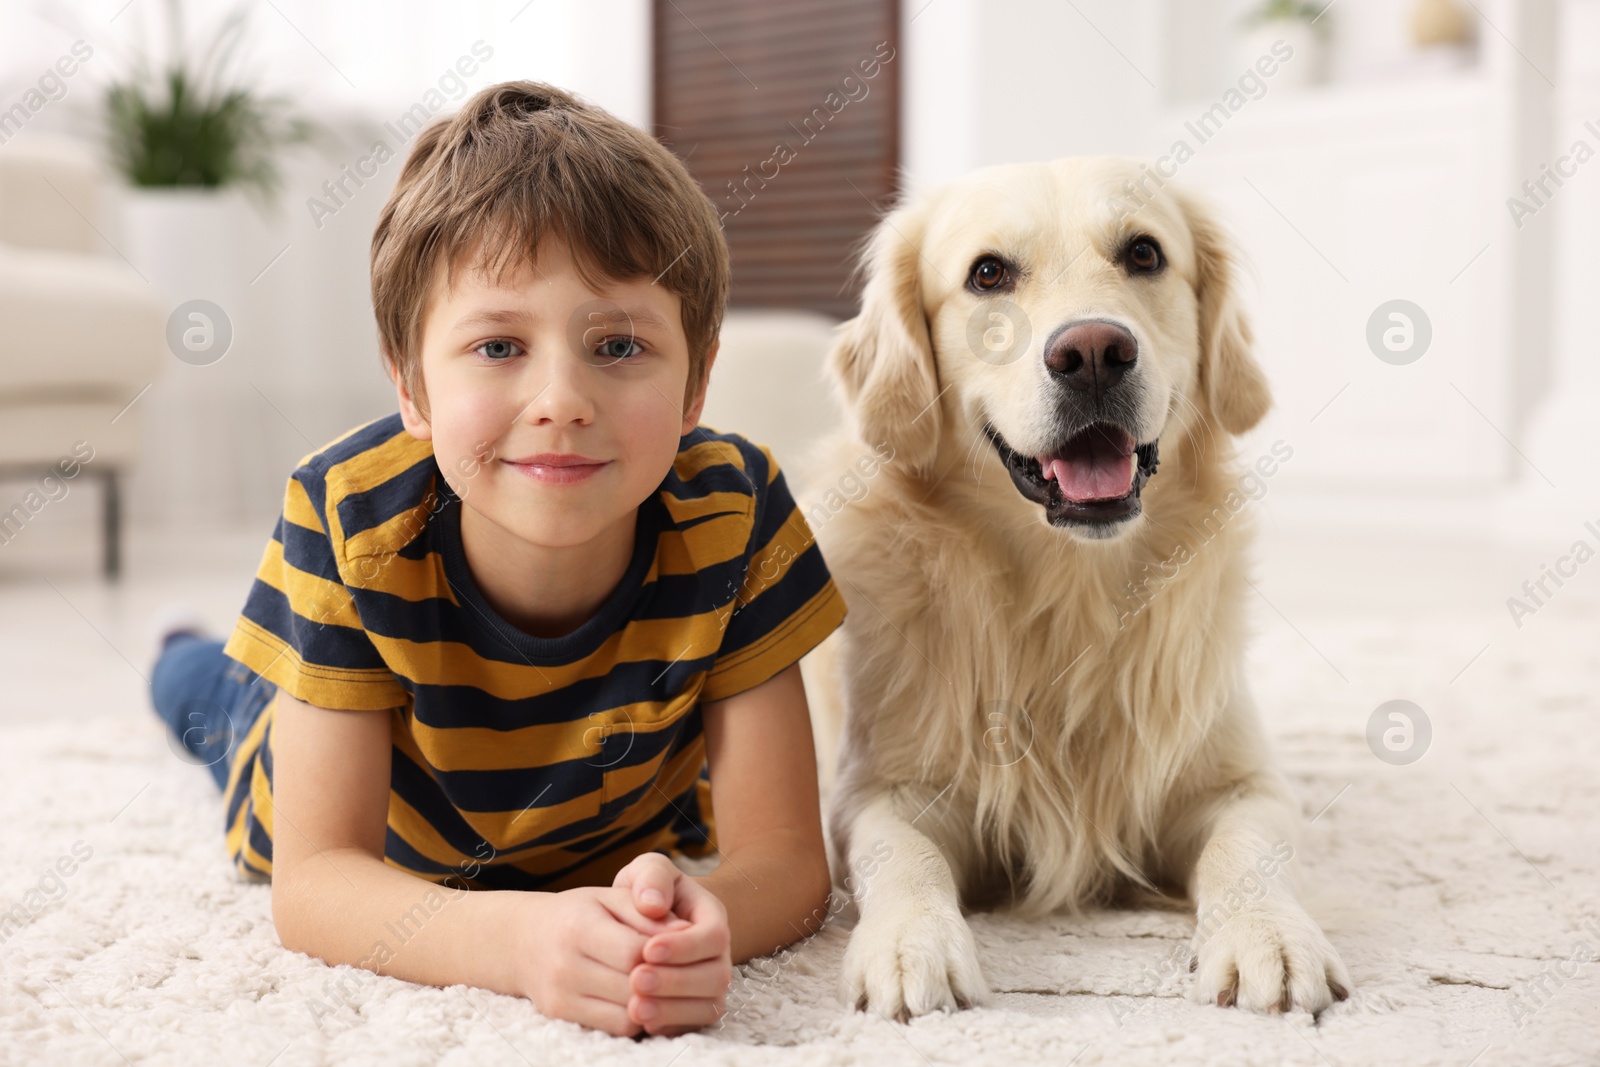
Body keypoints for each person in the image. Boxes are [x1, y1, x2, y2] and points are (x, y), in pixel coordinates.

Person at [148, 81, 846, 1038]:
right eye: (498, 344)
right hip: (360, 789)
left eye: (617, 343)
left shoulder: (738, 510)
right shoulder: (345, 516)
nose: (560, 396)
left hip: (611, 830)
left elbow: (789, 862)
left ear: (696, 384)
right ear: (411, 386)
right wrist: (522, 942)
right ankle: (178, 649)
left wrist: (705, 919)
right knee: (213, 700)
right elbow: (314, 885)